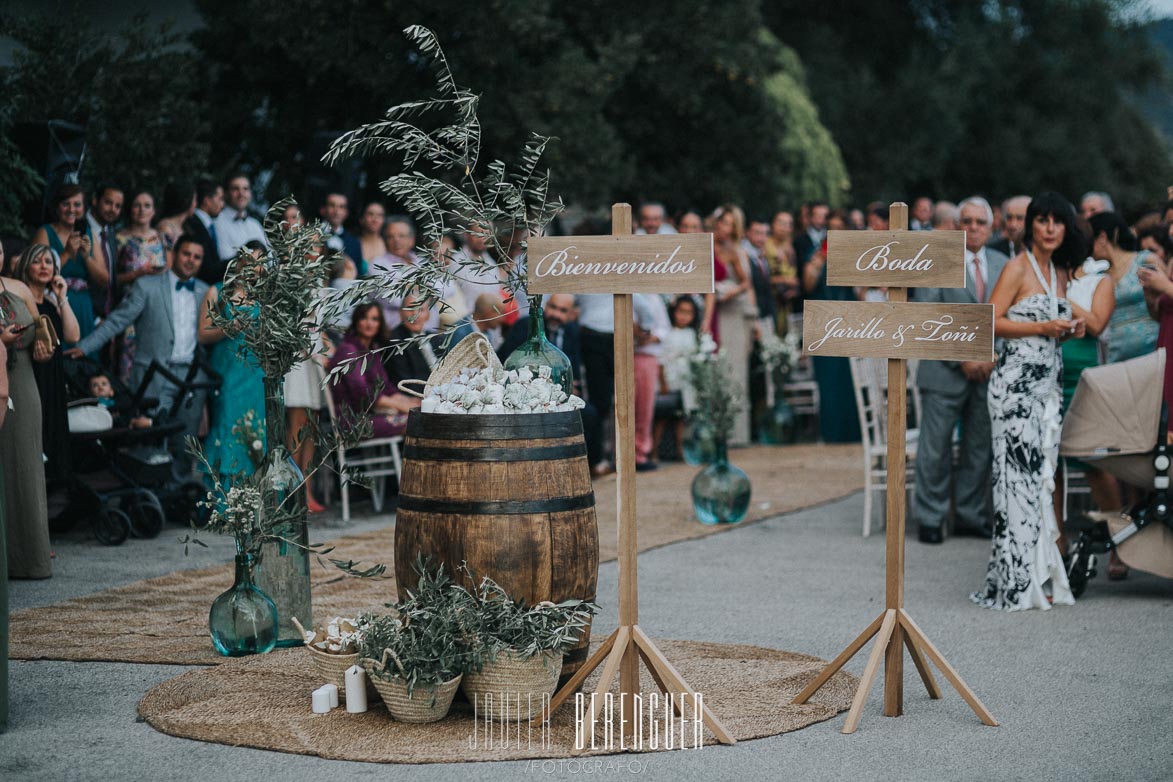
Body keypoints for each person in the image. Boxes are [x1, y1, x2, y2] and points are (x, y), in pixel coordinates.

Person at [973, 192, 1086, 612]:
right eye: (1043, 220)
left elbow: (1055, 325)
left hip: (1046, 389)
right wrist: (1042, 325)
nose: (1051, 228)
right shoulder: (1017, 267)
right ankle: (1017, 582)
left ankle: (1038, 573)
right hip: (1014, 387)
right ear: (1032, 225)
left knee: (1041, 482)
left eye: (1059, 220)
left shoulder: (1059, 272)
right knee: (1015, 483)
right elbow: (990, 320)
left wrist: (1068, 329)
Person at [66, 235, 211, 480]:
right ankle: (147, 494)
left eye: (197, 257)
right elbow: (118, 320)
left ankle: (180, 495)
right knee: (147, 434)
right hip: (154, 373)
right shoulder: (147, 286)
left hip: (191, 378)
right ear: (174, 254)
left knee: (185, 439)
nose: (191, 261)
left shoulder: (205, 291)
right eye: (186, 254)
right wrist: (84, 347)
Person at [913, 197, 1008, 544]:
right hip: (944, 369)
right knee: (934, 448)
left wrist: (990, 358)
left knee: (979, 447)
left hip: (989, 371)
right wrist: (963, 359)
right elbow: (928, 315)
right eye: (966, 221)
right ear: (956, 225)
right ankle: (931, 516)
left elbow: (1011, 316)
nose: (972, 227)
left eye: (980, 222)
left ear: (990, 226)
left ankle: (970, 514)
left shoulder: (1003, 262)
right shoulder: (937, 260)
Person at [1057, 249, 1121, 574]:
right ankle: (1058, 546)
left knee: (1094, 462)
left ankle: (1120, 547)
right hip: (1050, 372)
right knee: (1051, 466)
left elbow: (1095, 323)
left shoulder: (1100, 280)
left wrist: (1059, 298)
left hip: (1084, 375)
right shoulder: (1046, 272)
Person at [1, 239, 53, 579]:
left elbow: (42, 331)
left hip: (22, 378)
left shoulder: (17, 286)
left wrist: (41, 345)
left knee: (24, 464)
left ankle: (28, 557)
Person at [198, 242, 267, 480]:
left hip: (257, 375)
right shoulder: (217, 291)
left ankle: (257, 498)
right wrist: (229, 328)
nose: (252, 267)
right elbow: (203, 334)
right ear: (238, 262)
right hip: (228, 371)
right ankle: (226, 498)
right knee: (228, 425)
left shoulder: (265, 296)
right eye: (248, 260)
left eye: (258, 263)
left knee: (257, 432)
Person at [16, 244, 80, 490]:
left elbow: (73, 335)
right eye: (37, 261)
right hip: (31, 373)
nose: (44, 267)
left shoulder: (52, 303)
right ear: (26, 266)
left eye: (49, 262)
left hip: (53, 374)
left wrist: (62, 297)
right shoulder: (21, 301)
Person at [703, 204, 755, 446]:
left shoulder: (734, 251)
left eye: (731, 225)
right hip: (708, 311)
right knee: (712, 371)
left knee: (733, 371)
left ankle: (736, 434)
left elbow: (746, 283)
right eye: (723, 223)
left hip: (729, 311)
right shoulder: (703, 246)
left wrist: (731, 292)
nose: (726, 229)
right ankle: (712, 432)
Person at [802, 236, 862, 444]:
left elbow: (859, 293)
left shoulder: (854, 258)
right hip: (822, 324)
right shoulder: (815, 257)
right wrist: (818, 262)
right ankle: (831, 432)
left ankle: (852, 431)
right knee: (827, 380)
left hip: (847, 323)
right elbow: (808, 286)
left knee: (849, 380)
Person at [328, 303, 419, 437]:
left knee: (422, 413)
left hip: (373, 414)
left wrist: (409, 401)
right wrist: (401, 406)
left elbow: (386, 388)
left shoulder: (371, 351)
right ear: (356, 321)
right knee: (417, 422)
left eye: (375, 319)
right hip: (353, 421)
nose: (369, 324)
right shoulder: (348, 350)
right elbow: (362, 393)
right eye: (364, 318)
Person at [32, 184, 103, 342]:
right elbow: (35, 273)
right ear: (57, 207)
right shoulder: (45, 232)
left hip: (84, 307)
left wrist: (86, 257)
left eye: (77, 204)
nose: (72, 209)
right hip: (54, 304)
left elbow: (104, 280)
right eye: (66, 204)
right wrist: (67, 253)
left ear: (84, 208)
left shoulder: (89, 234)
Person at [1088, 212, 1160, 364]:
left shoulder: (1145, 260)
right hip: (1116, 355)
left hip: (1151, 349)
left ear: (1101, 237)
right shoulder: (1100, 277)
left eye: (1089, 240)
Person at [116, 190, 171, 384]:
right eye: (137, 205)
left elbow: (170, 272)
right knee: (128, 355)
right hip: (130, 304)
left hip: (157, 306)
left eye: (147, 205)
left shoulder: (163, 239)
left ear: (154, 211)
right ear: (130, 209)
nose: (141, 210)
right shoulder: (120, 238)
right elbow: (113, 279)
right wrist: (138, 274)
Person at [633, 292, 669, 470]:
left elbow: (664, 328)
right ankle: (619, 453)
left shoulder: (653, 298)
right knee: (623, 406)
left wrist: (649, 337)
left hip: (647, 354)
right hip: (623, 353)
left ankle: (640, 453)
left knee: (644, 407)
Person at [383, 291, 439, 389]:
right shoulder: (395, 342)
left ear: (428, 315)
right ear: (401, 313)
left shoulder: (436, 339)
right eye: (410, 309)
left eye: (420, 310)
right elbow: (405, 384)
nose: (415, 315)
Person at [213, 173, 266, 263]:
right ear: (226, 193)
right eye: (235, 189)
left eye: (245, 189)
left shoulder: (255, 225)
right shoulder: (218, 222)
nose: (241, 193)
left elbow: (269, 257)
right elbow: (226, 260)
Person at [184, 179, 226, 284]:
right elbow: (207, 267)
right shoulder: (194, 224)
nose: (223, 205)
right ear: (207, 200)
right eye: (220, 199)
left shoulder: (208, 225)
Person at [320, 192, 363, 275]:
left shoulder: (355, 243)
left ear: (346, 213)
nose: (336, 211)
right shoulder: (312, 236)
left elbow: (358, 275)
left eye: (341, 207)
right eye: (332, 205)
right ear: (323, 209)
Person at [156, 181, 196, 255]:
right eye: (194, 200)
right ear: (187, 201)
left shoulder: (185, 227)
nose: (195, 205)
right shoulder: (165, 227)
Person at [358, 201, 387, 267]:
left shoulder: (389, 245)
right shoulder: (353, 244)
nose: (375, 219)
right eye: (370, 214)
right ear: (362, 219)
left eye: (379, 215)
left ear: (383, 220)